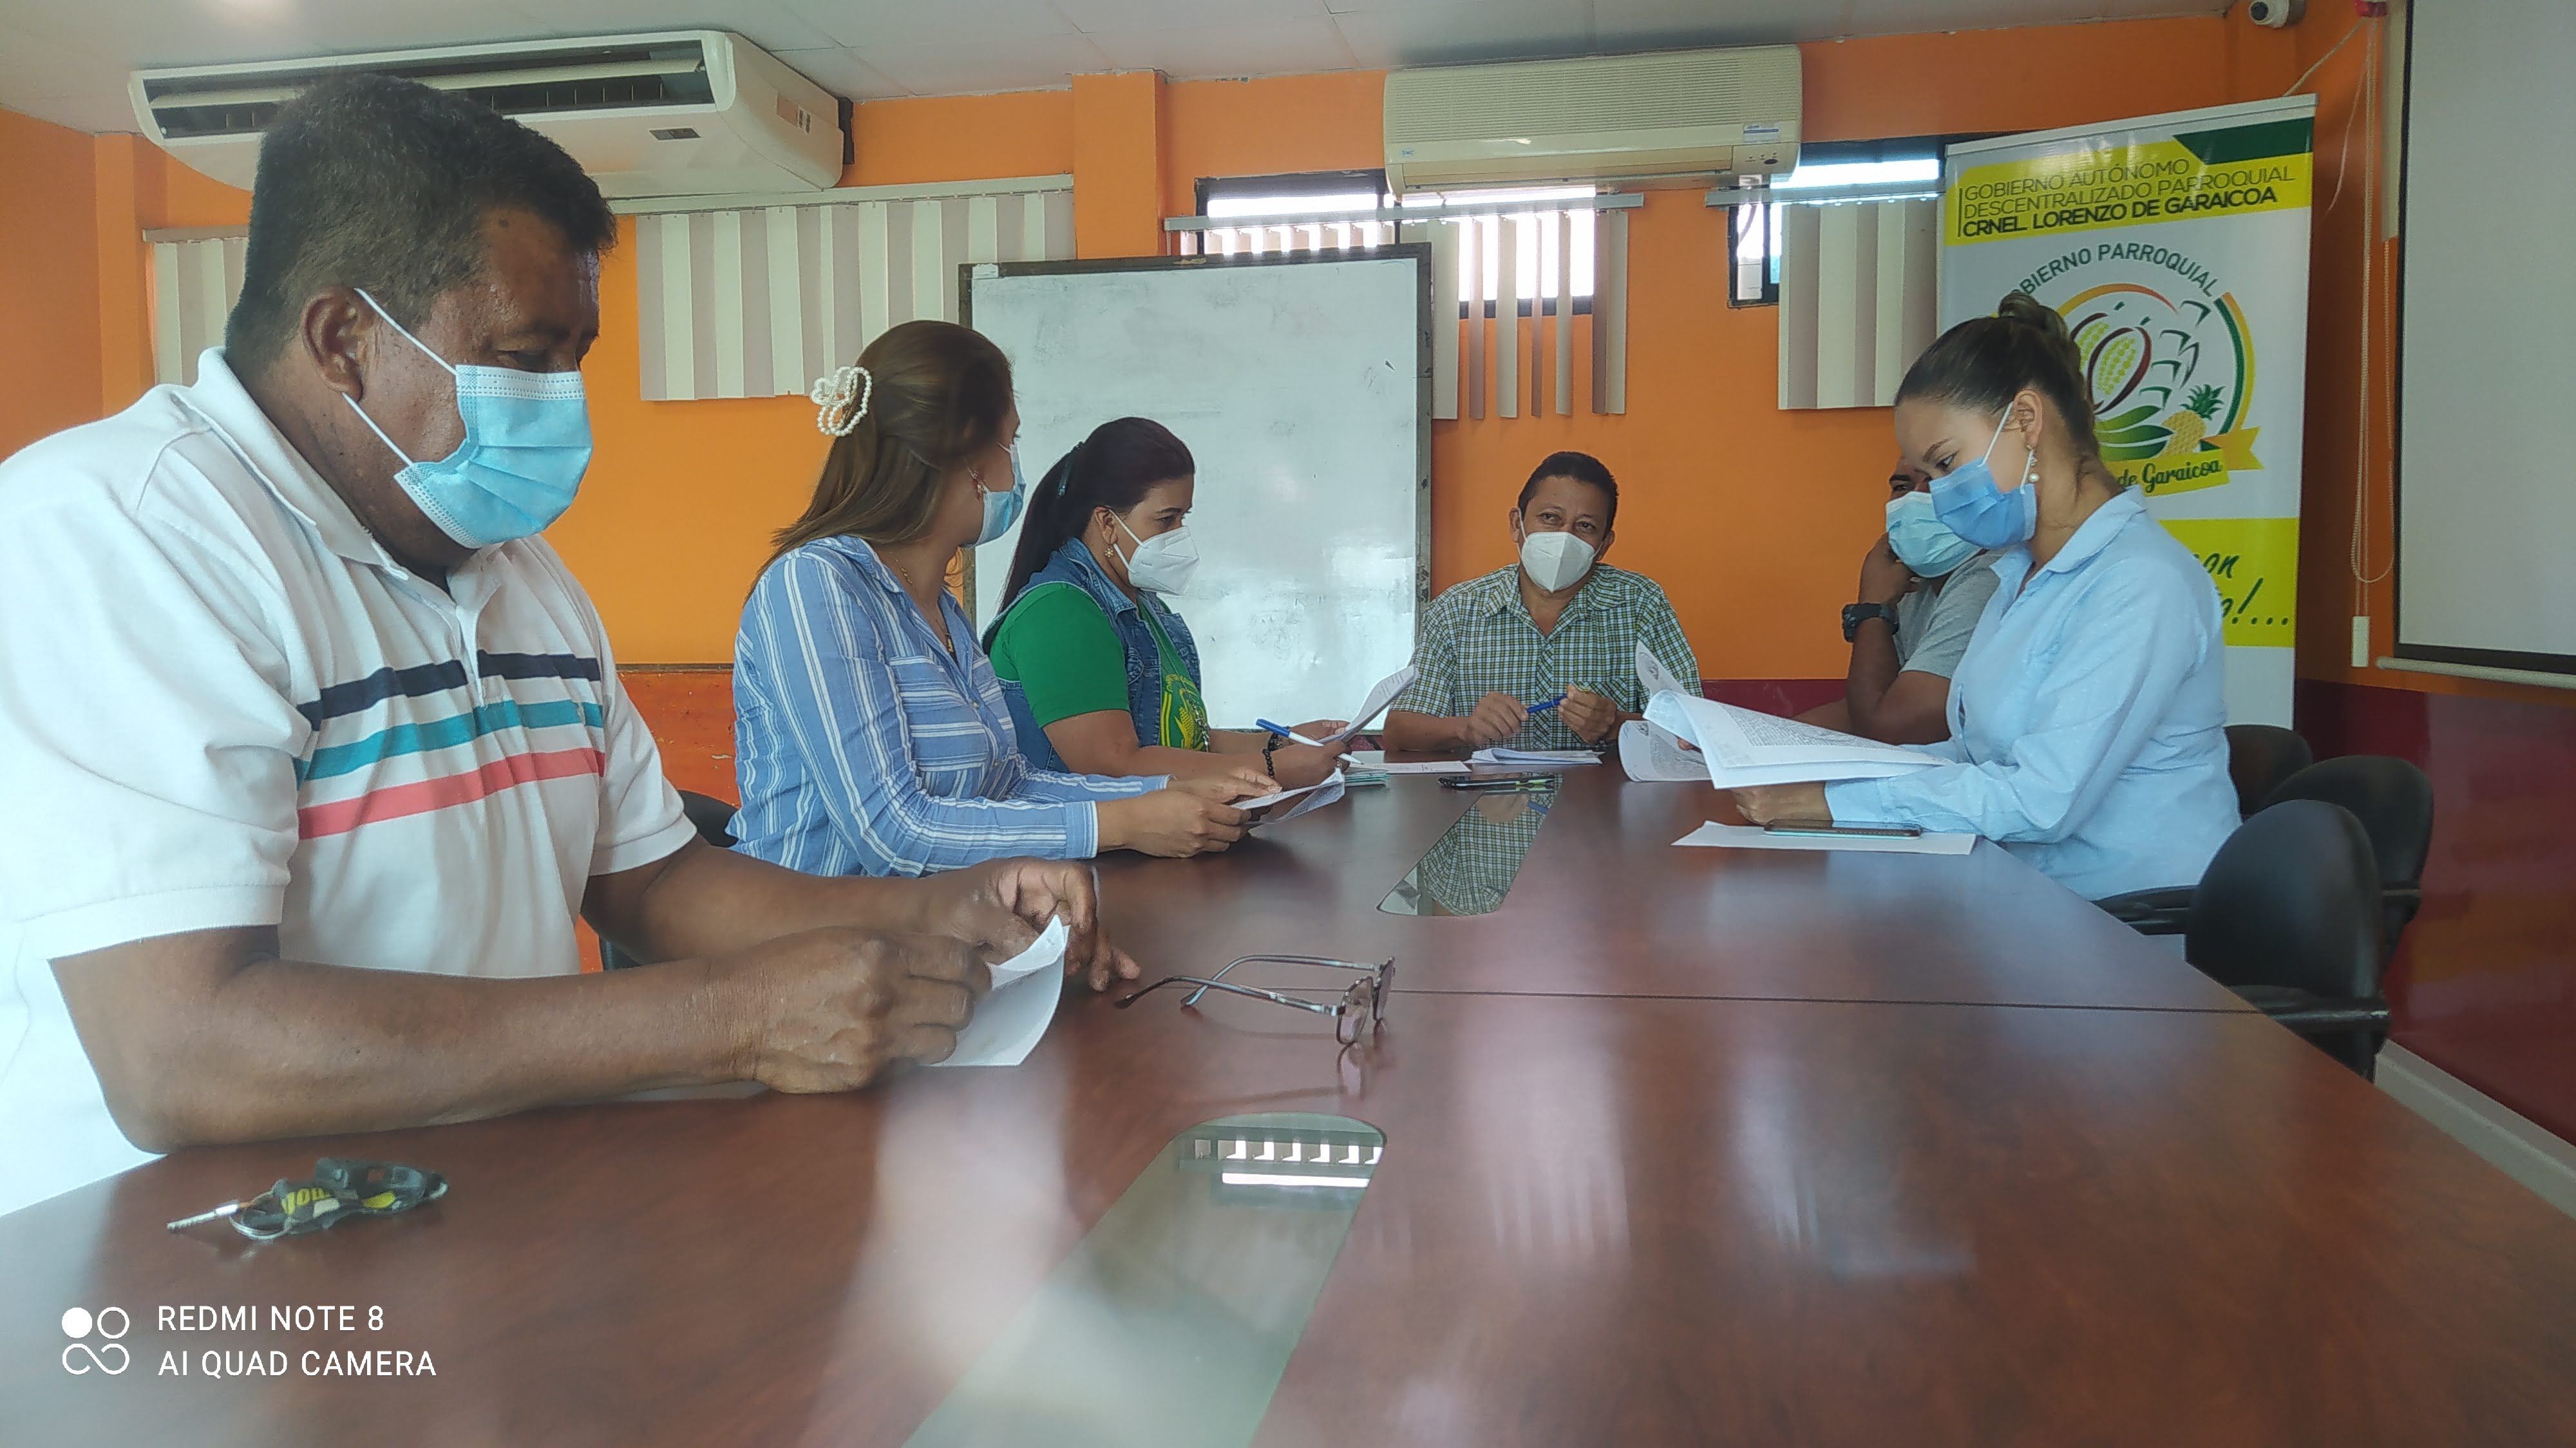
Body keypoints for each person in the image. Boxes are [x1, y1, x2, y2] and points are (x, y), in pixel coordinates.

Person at [0, 77, 1132, 1219]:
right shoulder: (121, 532)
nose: (562, 403)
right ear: (345, 339)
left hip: (481, 1220)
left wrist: (938, 913)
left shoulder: (519, 574)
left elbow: (658, 881)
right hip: (199, 1268)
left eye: (574, 357)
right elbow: (182, 1049)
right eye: (524, 357)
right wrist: (732, 1019)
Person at [1730, 292, 2239, 900]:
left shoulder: (2139, 582)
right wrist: (1823, 772)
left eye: (1947, 464)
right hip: (2019, 893)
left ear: (2026, 420)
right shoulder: (2017, 575)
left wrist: (1835, 803)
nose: (1939, 496)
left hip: (2126, 918)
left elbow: (2041, 801)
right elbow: (1974, 755)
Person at [732, 326, 1263, 879]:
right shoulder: (814, 586)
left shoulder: (939, 608)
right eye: (1011, 442)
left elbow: (1010, 784)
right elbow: (891, 832)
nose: (1017, 471)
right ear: (966, 455)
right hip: (819, 923)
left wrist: (1174, 792)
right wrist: (1122, 823)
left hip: (938, 918)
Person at [983, 417, 1344, 790]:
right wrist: (1272, 769)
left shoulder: (1145, 608)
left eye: (1183, 517)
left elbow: (1186, 743)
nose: (1179, 535)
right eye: (1166, 519)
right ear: (1107, 523)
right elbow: (1113, 766)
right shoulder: (1059, 613)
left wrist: (1284, 743)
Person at [1381, 451, 1698, 753]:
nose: (1564, 536)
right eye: (1549, 518)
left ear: (1603, 545)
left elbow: (1694, 732)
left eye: (1585, 526)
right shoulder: (1457, 610)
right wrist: (1466, 727)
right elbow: (1398, 731)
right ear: (1516, 525)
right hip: (1489, 791)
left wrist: (1616, 724)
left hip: (1606, 791)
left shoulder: (1641, 604)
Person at [1796, 460, 2002, 743]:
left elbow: (1889, 729)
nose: (1915, 498)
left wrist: (1872, 609)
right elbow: (1866, 709)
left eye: (1937, 480)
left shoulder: (1990, 577)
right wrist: (1773, 741)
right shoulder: (1915, 587)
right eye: (1902, 487)